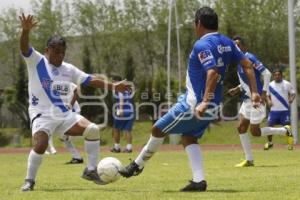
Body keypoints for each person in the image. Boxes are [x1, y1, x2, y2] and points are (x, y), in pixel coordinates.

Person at [119, 7, 261, 192]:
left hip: (194, 104)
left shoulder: (201, 45)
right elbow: (247, 65)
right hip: (213, 104)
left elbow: (212, 72)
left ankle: (136, 165)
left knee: (157, 129)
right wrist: (255, 91)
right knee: (189, 137)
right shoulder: (227, 42)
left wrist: (203, 101)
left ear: (198, 23)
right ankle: (198, 181)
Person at [19, 14, 131, 191]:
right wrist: (25, 31)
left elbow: (90, 80)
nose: (60, 56)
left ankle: (91, 170)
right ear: (47, 50)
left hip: (64, 114)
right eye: (57, 52)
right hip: (42, 114)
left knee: (93, 129)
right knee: (40, 145)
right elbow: (24, 47)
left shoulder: (68, 69)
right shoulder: (37, 61)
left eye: (63, 52)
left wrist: (113, 86)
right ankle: (29, 181)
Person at [229, 36, 293, 168]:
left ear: (244, 46)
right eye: (234, 45)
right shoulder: (239, 62)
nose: (236, 47)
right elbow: (249, 81)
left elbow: (267, 73)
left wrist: (263, 93)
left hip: (256, 101)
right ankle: (249, 159)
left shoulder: (250, 58)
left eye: (238, 44)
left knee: (255, 132)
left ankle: (284, 130)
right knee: (241, 128)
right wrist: (238, 88)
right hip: (247, 101)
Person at [263, 69, 296, 150]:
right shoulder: (270, 85)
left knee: (287, 127)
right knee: (269, 126)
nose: (277, 76)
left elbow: (293, 93)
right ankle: (270, 143)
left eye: (279, 75)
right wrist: (268, 101)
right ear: (273, 76)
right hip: (274, 111)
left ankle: (290, 144)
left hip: (284, 110)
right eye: (275, 75)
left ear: (281, 75)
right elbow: (266, 95)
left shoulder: (287, 84)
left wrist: (291, 99)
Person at [111, 76, 135, 153]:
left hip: (122, 111)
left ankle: (117, 147)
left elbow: (121, 98)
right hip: (130, 111)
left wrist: (120, 109)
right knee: (128, 130)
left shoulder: (119, 89)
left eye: (114, 81)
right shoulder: (127, 89)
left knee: (116, 129)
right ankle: (129, 148)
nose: (113, 83)